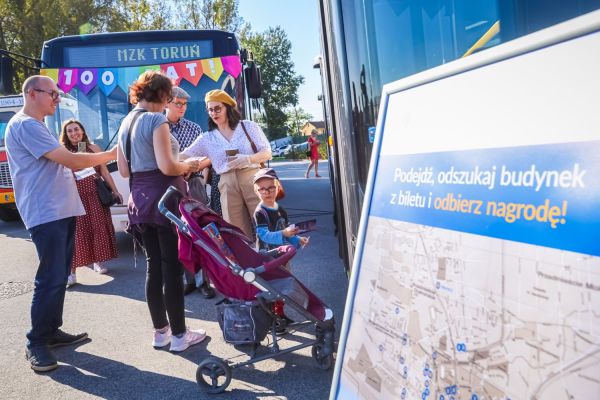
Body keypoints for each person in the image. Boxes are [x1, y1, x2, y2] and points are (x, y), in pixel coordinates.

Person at [5, 75, 117, 371]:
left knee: (58, 276)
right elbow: (70, 160)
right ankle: (36, 343)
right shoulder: (26, 124)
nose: (57, 98)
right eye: (52, 93)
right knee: (51, 279)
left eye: (58, 94)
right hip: (46, 213)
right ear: (32, 94)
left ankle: (51, 331)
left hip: (59, 210)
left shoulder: (36, 125)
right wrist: (113, 154)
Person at [116, 71, 209, 352]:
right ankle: (180, 336)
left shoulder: (126, 121)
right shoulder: (156, 120)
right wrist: (190, 165)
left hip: (139, 200)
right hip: (165, 198)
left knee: (153, 267)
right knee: (172, 268)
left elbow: (123, 169)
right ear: (161, 95)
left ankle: (161, 333)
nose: (170, 100)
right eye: (169, 96)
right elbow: (168, 167)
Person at [181, 89, 271, 239]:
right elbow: (184, 154)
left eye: (217, 108)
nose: (213, 113)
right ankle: (247, 262)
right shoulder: (207, 138)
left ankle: (278, 261)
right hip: (226, 183)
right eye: (210, 109)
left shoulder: (248, 126)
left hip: (252, 178)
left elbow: (267, 152)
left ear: (228, 107)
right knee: (237, 232)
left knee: (266, 223)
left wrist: (248, 159)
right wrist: (160, 157)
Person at [165, 86, 215, 299]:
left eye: (185, 104)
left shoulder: (194, 128)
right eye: (178, 103)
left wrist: (196, 175)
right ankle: (189, 280)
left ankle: (205, 281)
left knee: (200, 231)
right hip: (170, 185)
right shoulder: (158, 127)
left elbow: (207, 156)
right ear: (166, 103)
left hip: (194, 184)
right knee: (179, 233)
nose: (182, 108)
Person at [59, 119, 120, 286]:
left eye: (76, 129)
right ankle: (71, 273)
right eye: (70, 131)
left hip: (95, 195)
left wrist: (115, 190)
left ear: (82, 130)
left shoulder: (93, 149)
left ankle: (98, 262)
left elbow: (104, 171)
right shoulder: (63, 152)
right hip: (74, 198)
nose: (74, 133)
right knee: (77, 234)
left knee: (97, 227)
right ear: (66, 135)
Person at [253, 168, 309, 258]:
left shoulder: (281, 210)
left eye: (271, 188)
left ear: (278, 188)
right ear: (256, 192)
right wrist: (283, 233)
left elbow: (287, 231)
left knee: (284, 271)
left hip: (281, 253)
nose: (267, 192)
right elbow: (264, 236)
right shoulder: (260, 212)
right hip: (267, 256)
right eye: (262, 189)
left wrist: (298, 239)